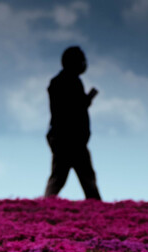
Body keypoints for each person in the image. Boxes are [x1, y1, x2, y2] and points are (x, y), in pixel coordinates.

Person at [44, 46, 102, 200]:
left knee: (60, 177)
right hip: (70, 139)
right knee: (85, 179)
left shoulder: (60, 81)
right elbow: (72, 109)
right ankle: (97, 209)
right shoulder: (69, 82)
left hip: (64, 138)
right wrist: (86, 100)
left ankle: (46, 205)